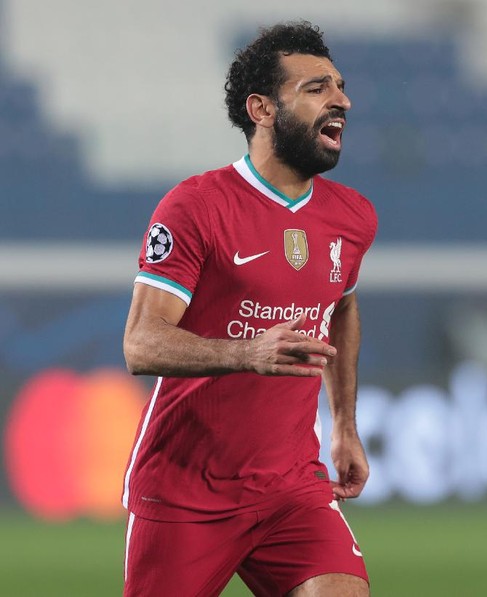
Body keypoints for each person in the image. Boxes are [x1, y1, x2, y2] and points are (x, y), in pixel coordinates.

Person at [121, 21, 376, 597]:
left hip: (291, 486)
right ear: (261, 109)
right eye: (316, 88)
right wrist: (248, 351)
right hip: (185, 489)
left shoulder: (353, 216)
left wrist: (344, 427)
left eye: (338, 86)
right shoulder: (195, 206)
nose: (341, 100)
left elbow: (340, 305)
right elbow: (140, 343)